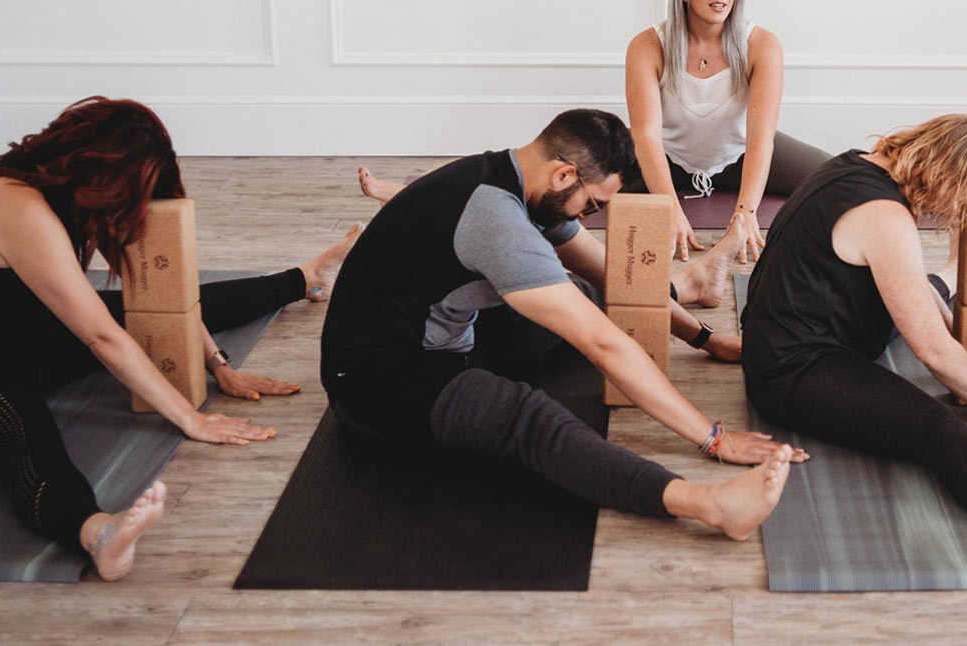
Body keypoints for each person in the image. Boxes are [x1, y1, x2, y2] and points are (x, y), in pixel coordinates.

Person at [0, 97, 362, 581]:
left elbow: (160, 299)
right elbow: (102, 338)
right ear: (99, 173)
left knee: (174, 305)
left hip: (15, 337)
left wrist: (216, 362)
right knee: (22, 429)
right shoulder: (18, 205)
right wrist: (190, 418)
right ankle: (96, 532)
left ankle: (304, 278)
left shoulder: (62, 188)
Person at [323, 109, 808, 542]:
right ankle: (706, 504)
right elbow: (605, 345)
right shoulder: (495, 220)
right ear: (565, 175)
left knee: (578, 294)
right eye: (593, 204)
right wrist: (713, 436)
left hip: (449, 333)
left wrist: (702, 338)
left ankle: (692, 285)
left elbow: (610, 277)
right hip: (376, 378)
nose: (591, 215)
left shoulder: (519, 179)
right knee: (524, 415)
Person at [740, 113, 967, 564]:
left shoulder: (857, 164)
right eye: (964, 195)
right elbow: (930, 349)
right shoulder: (886, 219)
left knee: (923, 291)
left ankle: (947, 278)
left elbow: (921, 312)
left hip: (794, 328)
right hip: (792, 370)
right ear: (950, 174)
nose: (952, 211)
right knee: (936, 428)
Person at [626, 0, 831, 273]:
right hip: (668, 155)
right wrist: (669, 208)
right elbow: (647, 137)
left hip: (739, 153)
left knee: (835, 177)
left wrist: (746, 213)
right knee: (578, 173)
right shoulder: (646, 46)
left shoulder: (762, 44)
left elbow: (760, 138)